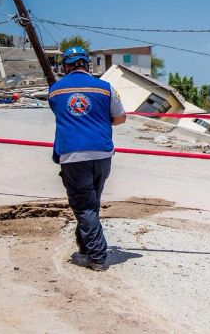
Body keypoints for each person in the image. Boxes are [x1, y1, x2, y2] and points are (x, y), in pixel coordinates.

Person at [48, 46, 127, 271]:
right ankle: (84, 246)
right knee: (91, 203)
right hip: (102, 154)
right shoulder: (105, 87)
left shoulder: (54, 91)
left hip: (73, 155)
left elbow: (62, 114)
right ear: (86, 64)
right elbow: (120, 118)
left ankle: (97, 256)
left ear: (65, 66)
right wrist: (100, 121)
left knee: (84, 207)